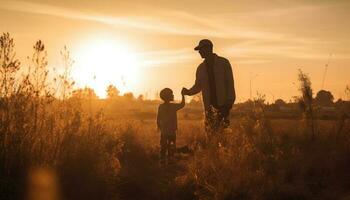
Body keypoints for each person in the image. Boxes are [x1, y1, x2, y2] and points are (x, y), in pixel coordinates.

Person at [182, 39, 235, 135]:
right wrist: (188, 92)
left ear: (208, 48)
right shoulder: (201, 68)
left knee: (223, 135)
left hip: (223, 107)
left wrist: (228, 104)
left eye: (201, 49)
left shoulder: (224, 63)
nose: (199, 52)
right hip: (209, 110)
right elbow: (198, 86)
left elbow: (230, 84)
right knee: (210, 135)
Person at [157, 88, 185, 165]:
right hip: (171, 131)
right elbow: (182, 104)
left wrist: (158, 125)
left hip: (164, 131)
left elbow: (158, 118)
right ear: (168, 96)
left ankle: (163, 162)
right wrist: (183, 95)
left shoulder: (161, 107)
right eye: (171, 94)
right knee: (171, 147)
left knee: (163, 147)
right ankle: (170, 162)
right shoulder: (173, 106)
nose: (173, 95)